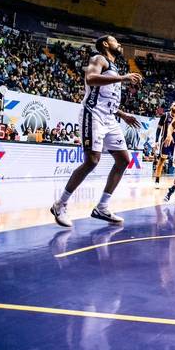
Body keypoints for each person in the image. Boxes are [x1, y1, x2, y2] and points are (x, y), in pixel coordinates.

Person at [49, 35, 143, 227]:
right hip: (93, 115)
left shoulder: (115, 67)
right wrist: (124, 78)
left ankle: (102, 207)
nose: (120, 44)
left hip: (110, 117)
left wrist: (122, 114)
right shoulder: (98, 58)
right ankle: (60, 204)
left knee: (124, 159)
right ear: (106, 44)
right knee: (92, 160)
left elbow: (105, 98)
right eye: (116, 41)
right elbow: (91, 79)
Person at [153, 102, 175, 186]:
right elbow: (158, 129)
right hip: (165, 141)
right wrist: (156, 141)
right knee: (162, 160)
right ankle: (157, 180)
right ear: (171, 106)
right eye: (174, 105)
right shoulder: (165, 115)